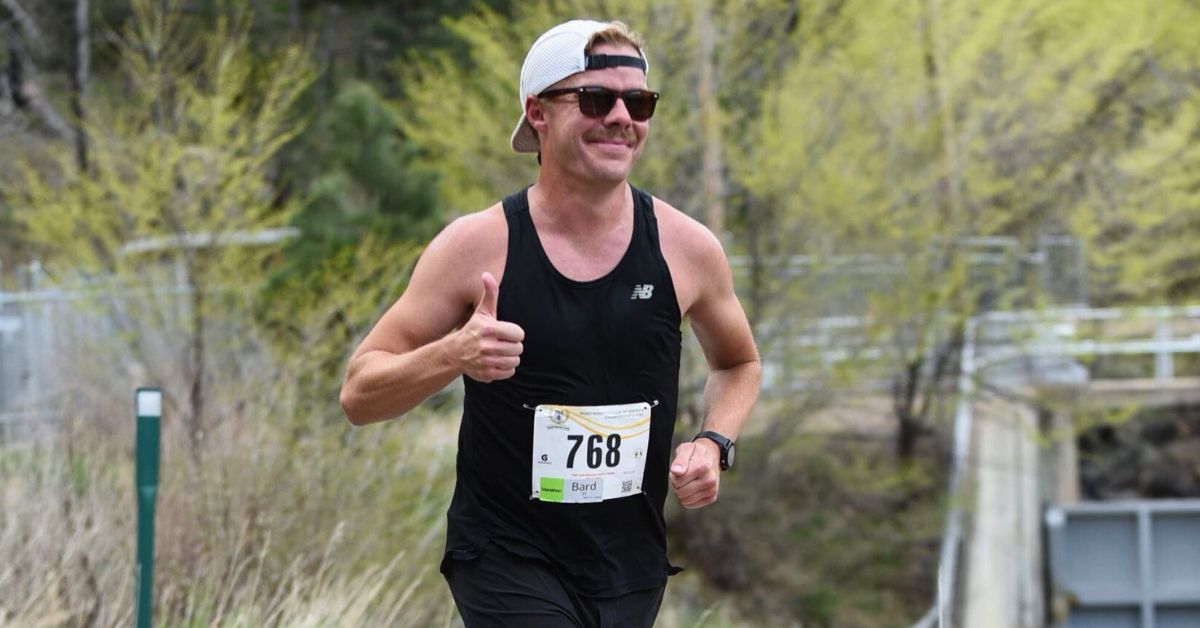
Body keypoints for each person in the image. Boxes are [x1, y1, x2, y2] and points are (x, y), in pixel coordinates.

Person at [340, 18, 760, 628]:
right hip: (505, 553)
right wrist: (453, 354)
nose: (622, 116)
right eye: (596, 99)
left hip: (628, 560)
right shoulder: (477, 245)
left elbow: (737, 363)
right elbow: (359, 394)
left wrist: (712, 441)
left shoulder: (686, 247)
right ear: (538, 113)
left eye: (638, 102)